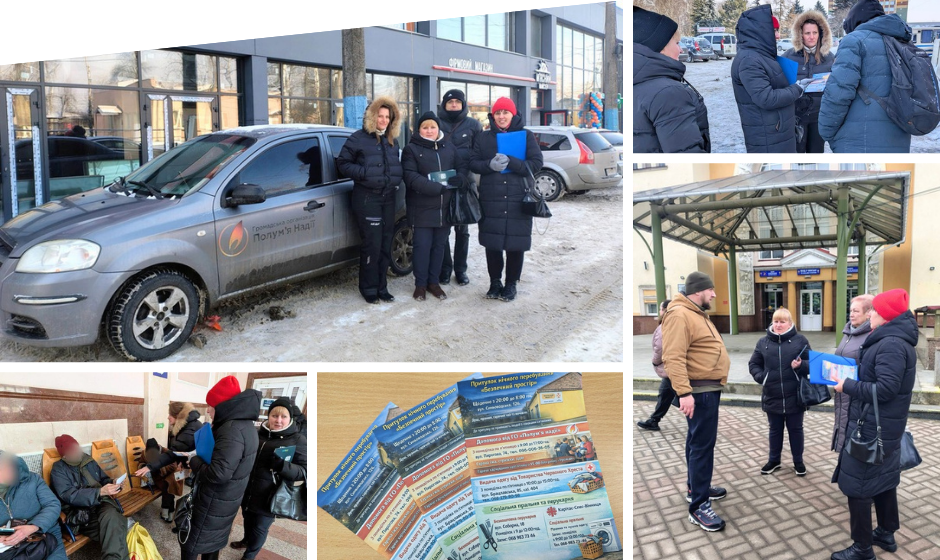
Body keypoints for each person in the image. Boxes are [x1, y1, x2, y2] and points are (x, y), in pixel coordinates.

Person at [831, 289, 917, 560]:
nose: (871, 314)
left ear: (887, 316)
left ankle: (862, 548)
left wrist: (849, 385)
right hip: (885, 427)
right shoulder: (892, 339)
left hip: (872, 428)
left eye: (876, 311)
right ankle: (886, 533)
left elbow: (887, 389)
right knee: (884, 480)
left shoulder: (890, 343)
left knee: (857, 486)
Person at [661, 271, 731, 531]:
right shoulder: (680, 314)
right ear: (699, 290)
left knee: (697, 442)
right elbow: (673, 357)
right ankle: (698, 507)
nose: (714, 294)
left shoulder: (695, 312)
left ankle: (695, 488)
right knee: (702, 446)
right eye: (711, 290)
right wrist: (684, 393)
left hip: (706, 389)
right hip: (698, 392)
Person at [468, 97, 543, 302]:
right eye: (498, 113)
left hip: (518, 198)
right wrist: (489, 165)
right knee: (492, 243)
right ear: (493, 116)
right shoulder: (484, 138)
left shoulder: (526, 136)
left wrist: (514, 163)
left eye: (505, 112)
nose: (501, 116)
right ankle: (494, 283)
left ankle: (511, 284)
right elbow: (473, 163)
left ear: (513, 115)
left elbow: (536, 163)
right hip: (491, 198)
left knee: (515, 244)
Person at [181, 376, 262, 560]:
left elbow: (218, 473)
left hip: (213, 501)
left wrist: (194, 460)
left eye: (211, 405)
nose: (208, 410)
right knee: (213, 543)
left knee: (190, 544)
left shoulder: (231, 429)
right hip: (226, 500)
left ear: (222, 406)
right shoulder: (245, 425)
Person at [818, 0, 912, 153]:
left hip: (858, 139)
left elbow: (838, 92)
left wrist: (826, 131)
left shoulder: (854, 41)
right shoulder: (902, 41)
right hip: (899, 135)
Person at [337, 96, 405, 304]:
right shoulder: (358, 138)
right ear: (371, 117)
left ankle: (382, 287)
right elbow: (342, 164)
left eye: (387, 116)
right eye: (379, 116)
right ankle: (368, 288)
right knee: (372, 245)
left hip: (388, 198)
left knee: (386, 243)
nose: (383, 120)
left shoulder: (392, 141)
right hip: (367, 199)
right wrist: (365, 172)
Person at [401, 111, 469, 301]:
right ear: (419, 129)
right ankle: (420, 285)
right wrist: (435, 188)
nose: (429, 130)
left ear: (438, 128)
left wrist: (461, 178)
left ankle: (434, 283)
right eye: (425, 127)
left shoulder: (448, 147)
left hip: (445, 209)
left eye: (432, 127)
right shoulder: (411, 149)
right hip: (422, 208)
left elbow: (462, 166)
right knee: (422, 247)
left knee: (439, 247)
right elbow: (410, 176)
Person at [230, 398, 307, 560]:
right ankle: (246, 540)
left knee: (259, 528)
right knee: (247, 519)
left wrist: (283, 466)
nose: (278, 420)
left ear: (290, 419)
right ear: (268, 416)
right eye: (274, 415)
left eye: (283, 417)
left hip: (270, 494)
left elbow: (304, 471)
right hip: (247, 490)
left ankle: (249, 555)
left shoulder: (297, 440)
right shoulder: (257, 433)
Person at [731, 4, 810, 153]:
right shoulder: (749, 60)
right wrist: (797, 89)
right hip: (768, 138)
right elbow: (766, 98)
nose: (778, 35)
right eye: (774, 30)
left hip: (776, 133)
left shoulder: (760, 55)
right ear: (760, 30)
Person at [633, 7, 710, 153]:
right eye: (676, 43)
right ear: (660, 47)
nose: (681, 49)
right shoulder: (669, 92)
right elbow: (686, 154)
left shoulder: (635, 84)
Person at [748, 308, 812, 477]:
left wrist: (801, 366)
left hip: (795, 395)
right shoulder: (763, 342)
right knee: (774, 430)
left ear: (790, 323)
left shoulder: (800, 340)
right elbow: (753, 364)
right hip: (772, 394)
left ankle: (798, 462)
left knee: (796, 429)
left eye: (782, 322)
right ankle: (774, 460)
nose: (778, 325)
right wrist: (762, 377)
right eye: (776, 321)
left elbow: (812, 363)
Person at [49, 434, 129, 560]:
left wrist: (112, 483)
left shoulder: (87, 460)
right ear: (65, 455)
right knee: (117, 527)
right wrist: (99, 492)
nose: (79, 451)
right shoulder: (58, 469)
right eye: (74, 449)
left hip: (102, 503)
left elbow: (103, 479)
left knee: (112, 521)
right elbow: (69, 495)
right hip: (81, 512)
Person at [437, 89, 482, 286]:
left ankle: (461, 270)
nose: (454, 105)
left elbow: (478, 153)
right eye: (450, 102)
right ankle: (445, 269)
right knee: (443, 230)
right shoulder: (436, 123)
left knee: (462, 231)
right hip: (442, 183)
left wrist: (464, 176)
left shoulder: (473, 125)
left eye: (457, 101)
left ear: (463, 104)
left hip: (465, 184)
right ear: (444, 104)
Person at [133, 402, 203, 522]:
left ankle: (175, 518)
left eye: (170, 414)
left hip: (182, 472)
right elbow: (179, 451)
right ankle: (171, 515)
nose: (167, 417)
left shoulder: (189, 429)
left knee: (169, 486)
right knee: (168, 486)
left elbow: (172, 454)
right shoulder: (190, 426)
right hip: (168, 475)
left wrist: (151, 467)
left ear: (177, 416)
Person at [782, 10, 835, 153]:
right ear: (800, 35)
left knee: (816, 154)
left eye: (815, 33)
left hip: (819, 116)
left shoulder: (829, 58)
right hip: (796, 116)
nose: (811, 37)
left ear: (821, 34)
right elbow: (780, 85)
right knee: (797, 154)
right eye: (807, 33)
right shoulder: (788, 57)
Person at [0, 450, 67, 560]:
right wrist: (3, 533)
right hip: (8, 545)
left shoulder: (33, 479)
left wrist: (33, 526)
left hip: (44, 534)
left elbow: (53, 504)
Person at [832, 295, 874, 454]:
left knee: (852, 436)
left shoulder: (870, 336)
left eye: (856, 311)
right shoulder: (848, 332)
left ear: (868, 312)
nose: (851, 314)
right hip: (842, 393)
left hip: (855, 395)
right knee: (843, 428)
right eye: (851, 310)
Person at [637, 299, 677, 431]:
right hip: (674, 367)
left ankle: (700, 421)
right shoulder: (678, 323)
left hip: (671, 367)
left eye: (660, 309)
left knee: (684, 397)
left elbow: (659, 348)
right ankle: (654, 420)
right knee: (665, 394)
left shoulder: (664, 326)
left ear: (665, 310)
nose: (659, 311)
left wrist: (655, 361)